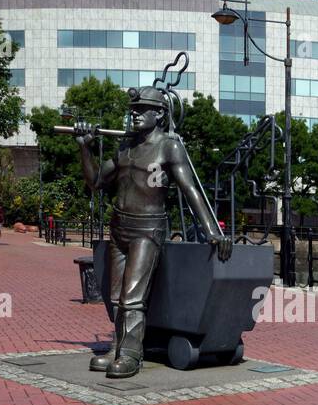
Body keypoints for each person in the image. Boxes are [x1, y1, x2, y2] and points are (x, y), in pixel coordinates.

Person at [75, 85, 231, 378]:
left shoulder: (169, 146)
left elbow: (189, 189)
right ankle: (117, 347)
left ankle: (132, 354)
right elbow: (96, 181)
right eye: (132, 110)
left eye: (141, 110)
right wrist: (84, 146)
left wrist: (212, 230)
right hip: (119, 227)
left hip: (148, 229)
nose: (134, 115)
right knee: (117, 295)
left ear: (159, 114)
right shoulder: (126, 146)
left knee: (133, 295)